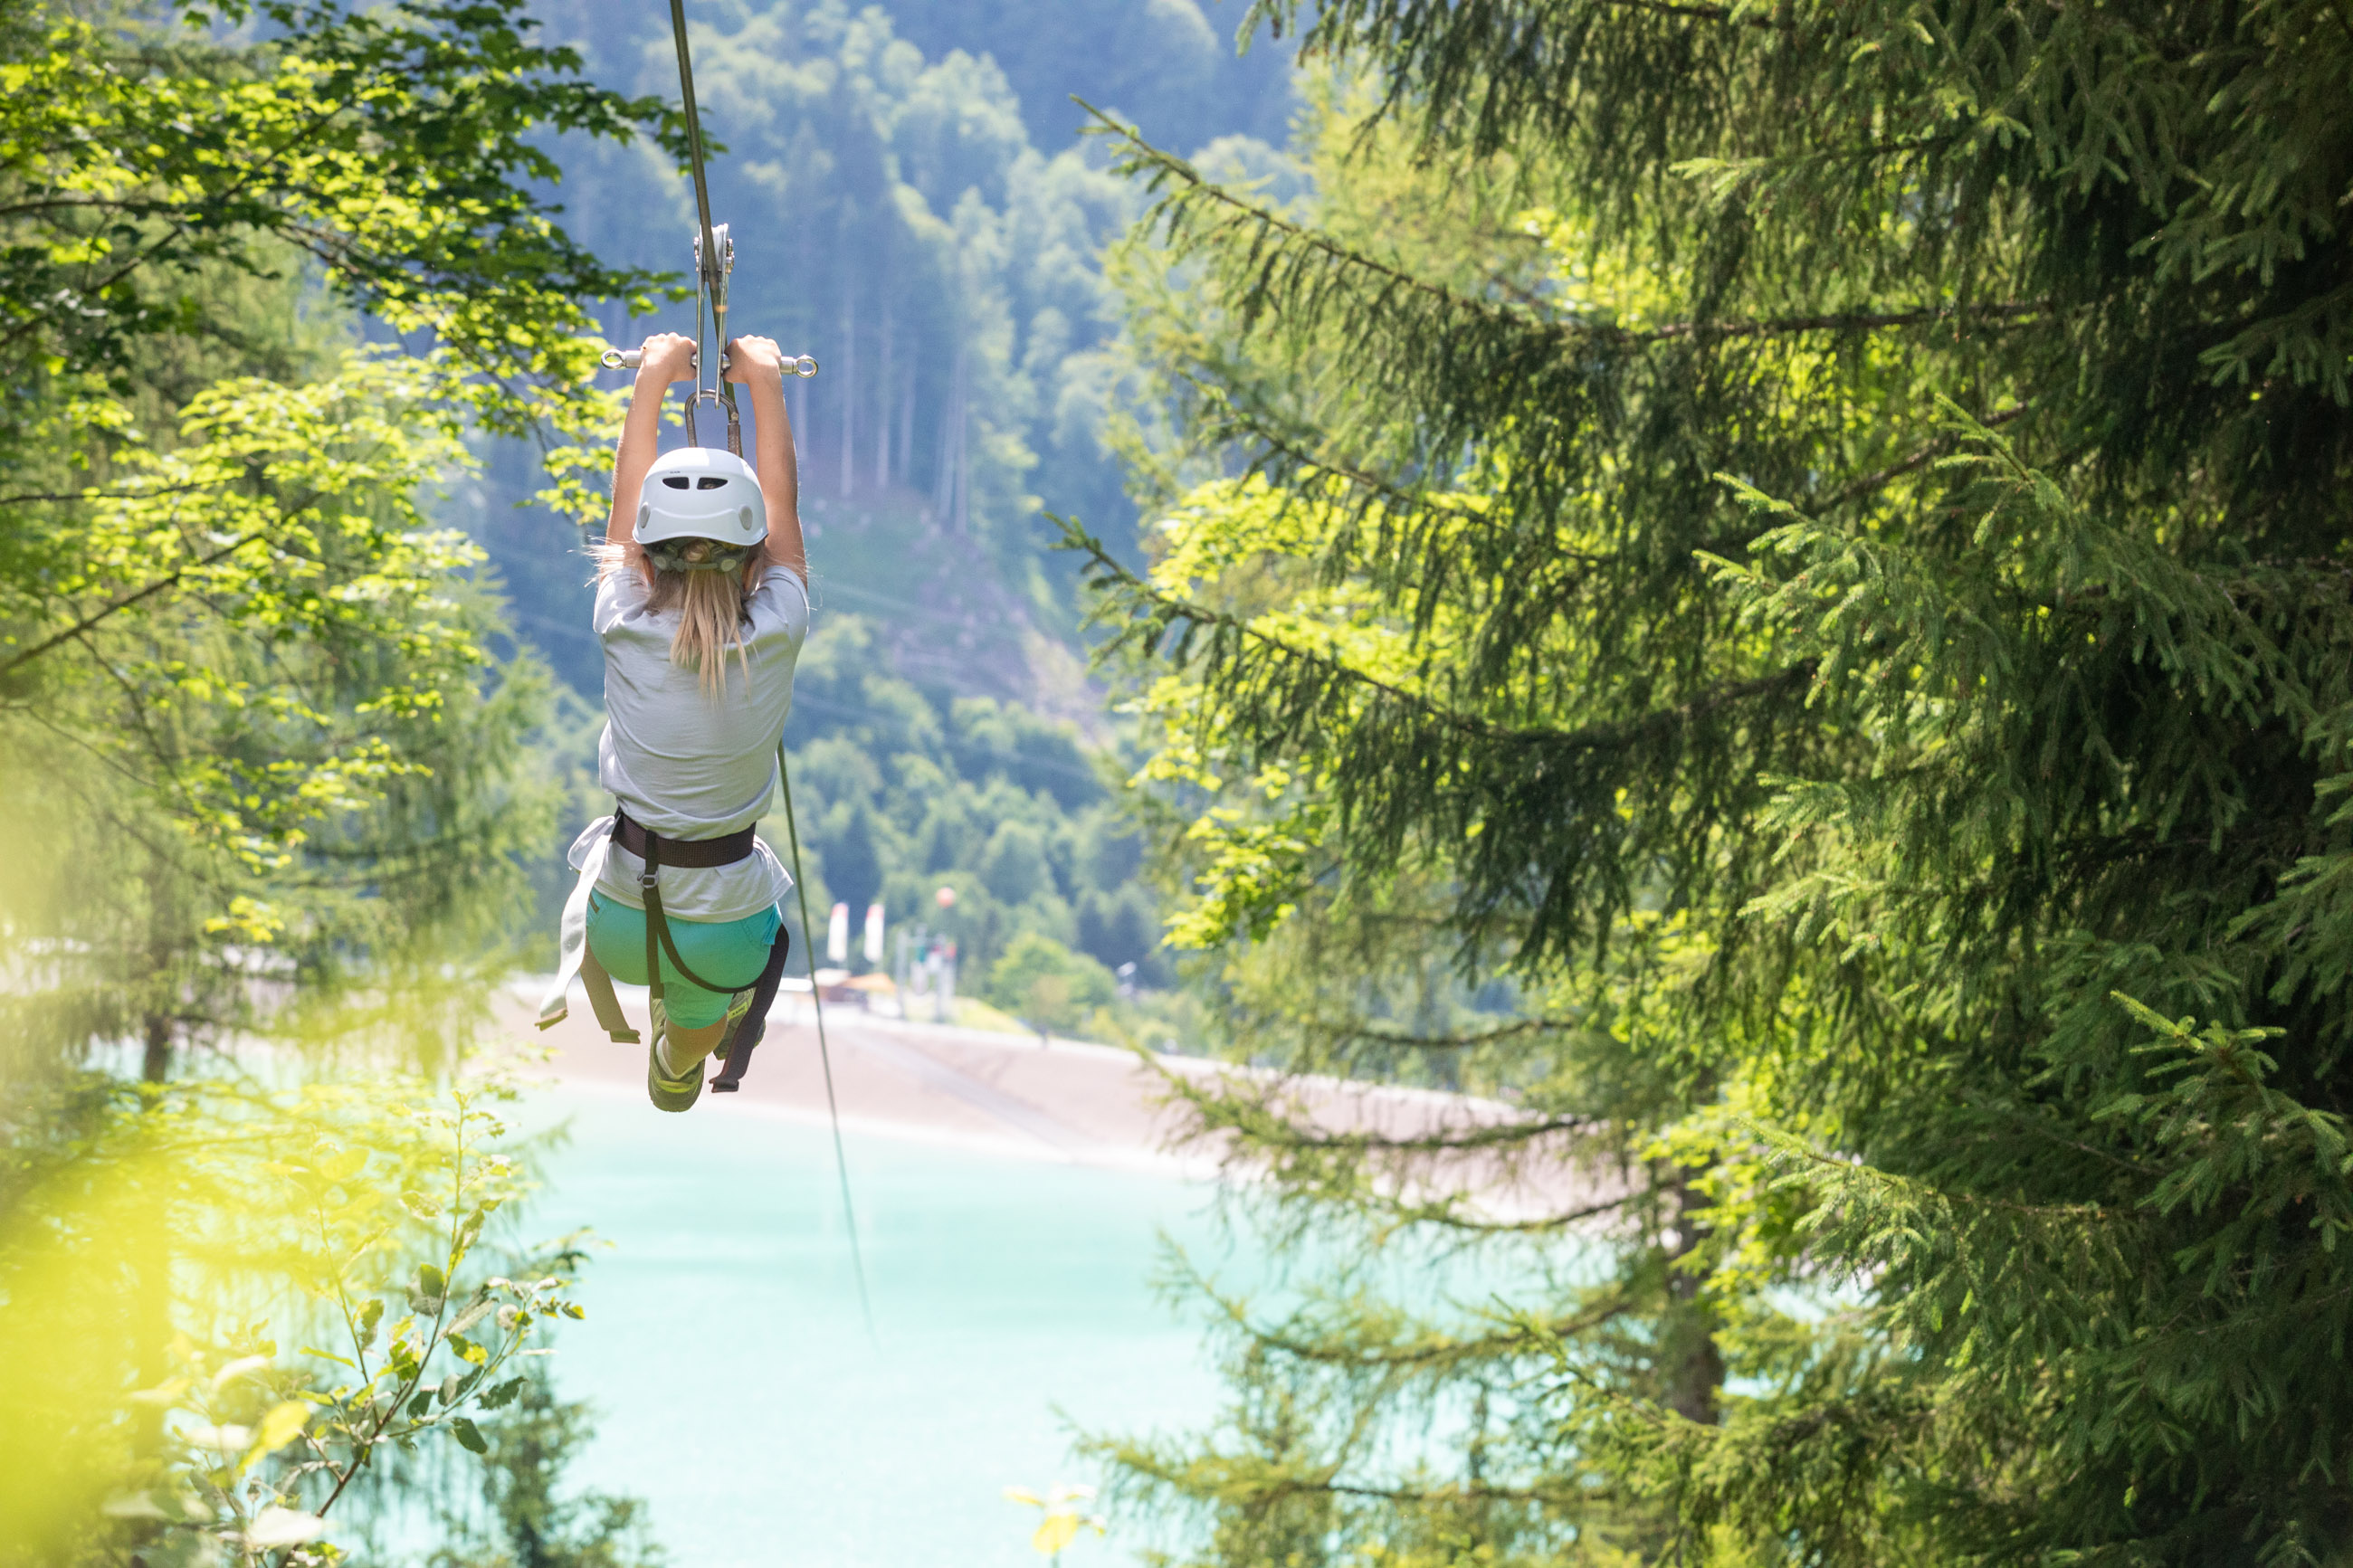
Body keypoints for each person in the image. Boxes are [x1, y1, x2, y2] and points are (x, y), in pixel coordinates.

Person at [535, 331, 810, 1111]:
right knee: (703, 1011)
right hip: (722, 920)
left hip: (616, 909)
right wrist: (764, 382)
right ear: (753, 558)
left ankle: (684, 1029)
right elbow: (783, 506)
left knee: (697, 969)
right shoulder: (778, 624)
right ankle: (680, 1055)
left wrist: (652, 377)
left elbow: (627, 511)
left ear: (649, 558)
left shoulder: (623, 613)